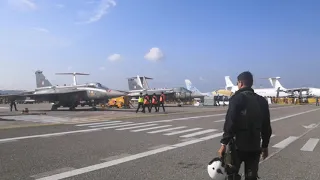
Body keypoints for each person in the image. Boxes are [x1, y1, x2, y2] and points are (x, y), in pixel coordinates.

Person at [217, 71, 272, 180]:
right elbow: (266, 126)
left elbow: (230, 122)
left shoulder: (236, 98)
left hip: (237, 147)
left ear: (240, 83)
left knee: (232, 175)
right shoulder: (262, 101)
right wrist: (265, 146)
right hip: (255, 146)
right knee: (251, 177)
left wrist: (224, 143)